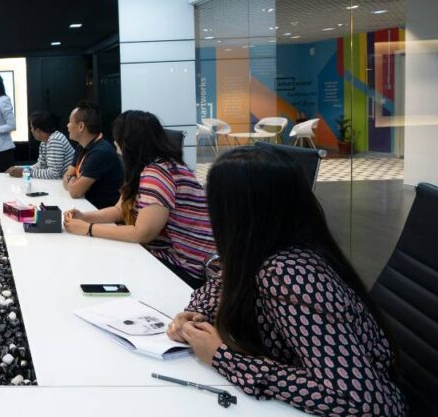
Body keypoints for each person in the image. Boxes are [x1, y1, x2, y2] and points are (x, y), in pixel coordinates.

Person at [166, 147, 406, 416]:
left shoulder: (289, 273)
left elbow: (363, 402)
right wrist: (197, 316)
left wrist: (225, 358)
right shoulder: (258, 250)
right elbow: (219, 285)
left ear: (237, 215)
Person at [63, 111, 215, 288]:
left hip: (185, 266)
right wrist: (84, 217)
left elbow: (142, 233)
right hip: (167, 256)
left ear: (128, 142)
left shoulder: (158, 173)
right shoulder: (146, 169)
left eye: (117, 137)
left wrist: (88, 229)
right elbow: (120, 210)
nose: (114, 142)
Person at [61, 101, 123, 208]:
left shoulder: (100, 152)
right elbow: (66, 176)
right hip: (85, 204)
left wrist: (72, 179)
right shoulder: (82, 146)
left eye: (70, 122)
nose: (67, 126)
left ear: (81, 126)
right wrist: (72, 180)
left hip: (100, 212)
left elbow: (75, 192)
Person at [6, 110, 74, 179]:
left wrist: (24, 172)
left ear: (38, 130)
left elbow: (54, 174)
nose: (31, 130)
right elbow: (41, 165)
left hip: (68, 181)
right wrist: (22, 169)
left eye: (32, 128)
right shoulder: (44, 141)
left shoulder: (55, 140)